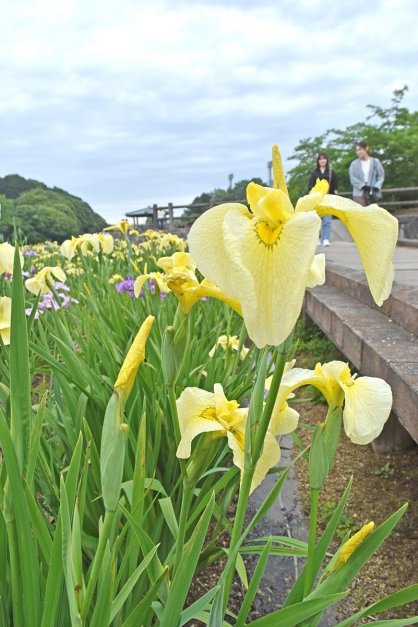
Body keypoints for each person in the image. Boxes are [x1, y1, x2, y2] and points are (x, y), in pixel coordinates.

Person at [308, 152, 338, 247]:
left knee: (327, 220)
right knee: (316, 220)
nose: (322, 160)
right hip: (316, 198)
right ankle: (316, 239)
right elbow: (310, 186)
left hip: (327, 197)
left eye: (324, 158)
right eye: (320, 159)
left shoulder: (331, 172)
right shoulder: (314, 173)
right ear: (318, 161)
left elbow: (335, 185)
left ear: (327, 160)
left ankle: (325, 239)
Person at [349, 141, 384, 206]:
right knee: (359, 213)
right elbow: (352, 178)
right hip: (358, 193)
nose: (359, 152)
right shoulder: (354, 164)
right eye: (357, 150)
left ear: (366, 148)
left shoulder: (375, 161)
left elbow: (381, 176)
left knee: (372, 213)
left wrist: (376, 186)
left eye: (360, 149)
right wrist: (363, 186)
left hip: (372, 192)